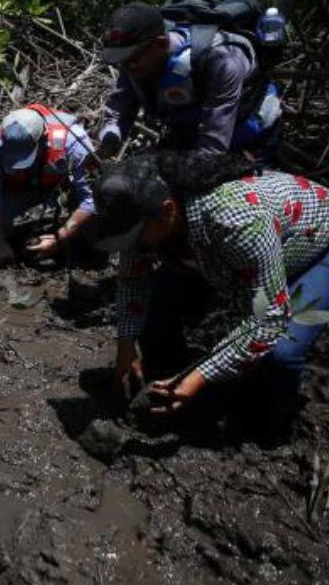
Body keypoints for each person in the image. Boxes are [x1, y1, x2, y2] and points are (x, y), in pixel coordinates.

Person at [92, 152, 329, 433]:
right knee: (157, 313)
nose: (132, 245)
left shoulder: (235, 221)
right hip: (231, 255)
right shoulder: (145, 221)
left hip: (317, 247)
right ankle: (165, 382)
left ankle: (267, 427)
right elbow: (132, 282)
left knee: (282, 353)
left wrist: (198, 378)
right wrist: (126, 349)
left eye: (136, 236)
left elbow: (269, 318)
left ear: (168, 211)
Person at [97, 2, 281, 159]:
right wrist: (110, 139)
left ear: (161, 44)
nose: (127, 67)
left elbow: (213, 146)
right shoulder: (135, 64)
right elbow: (118, 110)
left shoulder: (221, 61)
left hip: (251, 139)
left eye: (132, 58)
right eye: (121, 61)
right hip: (189, 133)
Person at [0, 104, 97, 264]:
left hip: (62, 189)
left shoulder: (74, 141)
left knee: (92, 228)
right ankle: (11, 243)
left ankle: (78, 247)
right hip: (24, 188)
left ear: (44, 136)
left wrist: (60, 238)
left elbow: (91, 198)